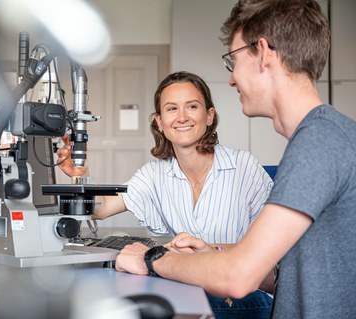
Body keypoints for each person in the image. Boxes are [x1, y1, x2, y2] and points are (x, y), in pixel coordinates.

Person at [115, 0, 356, 318]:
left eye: (233, 61)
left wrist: (151, 258)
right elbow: (282, 273)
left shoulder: (319, 142)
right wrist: (210, 253)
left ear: (264, 54)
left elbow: (238, 278)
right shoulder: (325, 136)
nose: (231, 80)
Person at [58, 71, 274, 318]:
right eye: (171, 109)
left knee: (145, 303)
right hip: (193, 283)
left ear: (209, 116)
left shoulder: (244, 166)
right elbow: (102, 208)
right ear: (159, 122)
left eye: (192, 106)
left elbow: (272, 248)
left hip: (245, 291)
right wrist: (79, 174)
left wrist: (199, 255)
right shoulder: (154, 174)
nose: (182, 117)